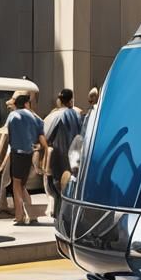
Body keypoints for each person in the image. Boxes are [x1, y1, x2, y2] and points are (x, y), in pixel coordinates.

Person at [5, 91, 49, 225]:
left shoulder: (13, 115)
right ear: (26, 103)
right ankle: (30, 213)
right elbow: (41, 135)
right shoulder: (33, 117)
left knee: (16, 184)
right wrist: (44, 151)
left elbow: (6, 135)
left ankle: (20, 215)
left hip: (17, 153)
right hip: (29, 153)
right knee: (22, 185)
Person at [43, 88, 81, 219]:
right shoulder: (77, 114)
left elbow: (47, 136)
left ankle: (60, 215)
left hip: (59, 157)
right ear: (71, 100)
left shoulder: (56, 116)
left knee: (57, 187)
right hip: (75, 157)